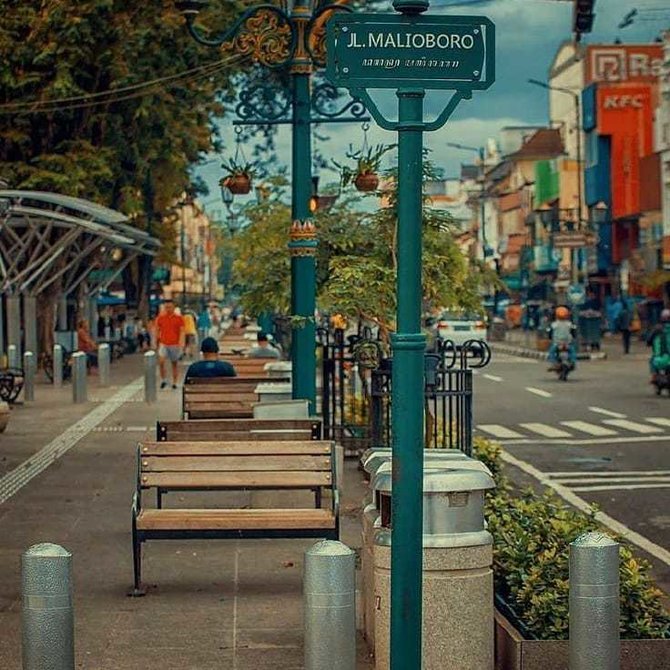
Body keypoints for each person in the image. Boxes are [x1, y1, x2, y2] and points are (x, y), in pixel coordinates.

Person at [155, 300, 185, 389]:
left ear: (174, 308)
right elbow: (157, 329)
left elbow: (182, 331)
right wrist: (156, 340)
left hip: (174, 344)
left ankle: (175, 382)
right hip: (163, 343)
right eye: (166, 307)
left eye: (170, 307)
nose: (168, 309)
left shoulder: (179, 318)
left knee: (174, 363)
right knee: (161, 361)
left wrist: (181, 343)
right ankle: (164, 379)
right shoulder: (161, 318)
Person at [649, 309, 670, 382]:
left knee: (652, 360)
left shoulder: (657, 327)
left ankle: (654, 375)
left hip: (659, 357)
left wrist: (649, 343)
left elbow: (650, 339)